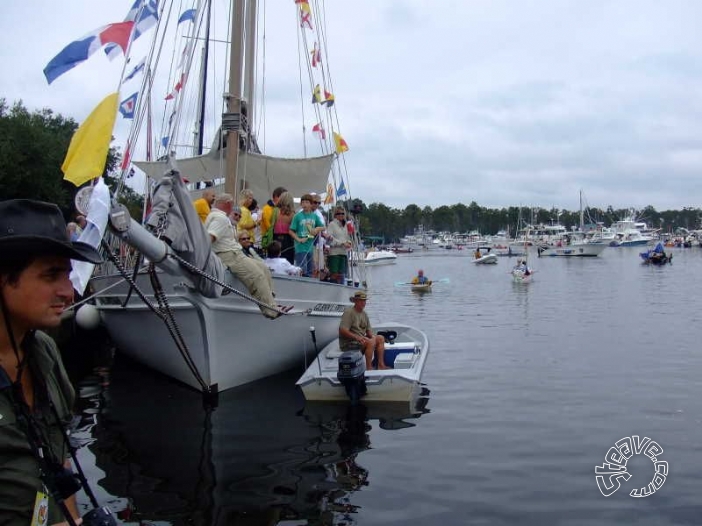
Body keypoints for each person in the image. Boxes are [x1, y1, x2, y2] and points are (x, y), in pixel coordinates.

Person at [0, 199, 103, 524]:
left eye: (68, 275)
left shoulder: (43, 350)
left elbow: (59, 461)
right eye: (51, 275)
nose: (68, 292)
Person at [205, 194, 290, 319]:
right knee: (257, 275)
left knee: (264, 268)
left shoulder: (217, 217)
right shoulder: (220, 218)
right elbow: (209, 238)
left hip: (234, 253)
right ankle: (271, 310)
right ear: (228, 204)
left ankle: (271, 301)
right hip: (229, 255)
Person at [339, 291, 390, 370]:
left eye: (364, 300)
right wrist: (357, 337)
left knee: (380, 338)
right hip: (348, 344)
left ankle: (381, 365)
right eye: (361, 300)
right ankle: (369, 368)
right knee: (370, 342)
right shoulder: (349, 312)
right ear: (355, 301)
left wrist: (372, 336)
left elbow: (369, 331)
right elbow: (342, 331)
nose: (363, 302)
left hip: (361, 341)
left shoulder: (364, 314)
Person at [289, 194, 326, 277]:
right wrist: (298, 239)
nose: (304, 204)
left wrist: (317, 229)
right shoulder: (297, 216)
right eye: (303, 202)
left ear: (311, 204)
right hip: (300, 246)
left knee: (310, 270)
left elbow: (323, 227)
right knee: (302, 269)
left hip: (310, 246)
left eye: (307, 202)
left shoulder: (315, 216)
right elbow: (291, 231)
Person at [326, 207, 353, 284]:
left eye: (343, 213)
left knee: (342, 274)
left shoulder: (346, 226)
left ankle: (340, 292)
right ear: (335, 215)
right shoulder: (332, 224)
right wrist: (341, 243)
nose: (341, 215)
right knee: (334, 274)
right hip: (334, 254)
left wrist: (349, 242)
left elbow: (348, 237)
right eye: (339, 213)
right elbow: (329, 239)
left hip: (343, 253)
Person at [273, 192, 296, 265]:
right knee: (288, 263)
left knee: (275, 261)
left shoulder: (275, 211)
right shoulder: (293, 214)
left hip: (275, 238)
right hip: (288, 240)